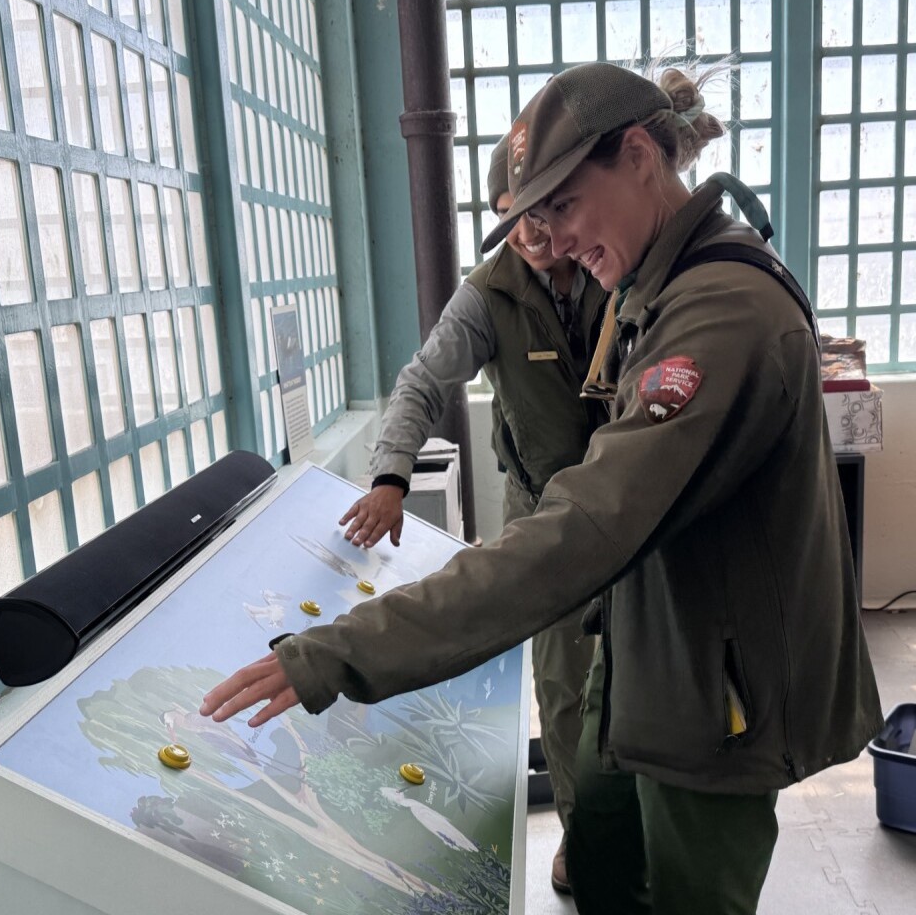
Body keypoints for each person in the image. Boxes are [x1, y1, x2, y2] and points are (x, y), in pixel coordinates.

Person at [200, 61, 883, 915]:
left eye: (563, 205)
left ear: (638, 154)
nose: (551, 240)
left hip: (716, 695)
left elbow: (587, 527)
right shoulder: (645, 287)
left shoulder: (719, 312)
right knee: (597, 833)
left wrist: (341, 651)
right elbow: (451, 404)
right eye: (534, 217)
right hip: (648, 642)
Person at [337, 139, 607, 893]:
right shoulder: (487, 294)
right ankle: (584, 838)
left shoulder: (609, 260)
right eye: (509, 217)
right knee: (562, 681)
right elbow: (423, 382)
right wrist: (391, 475)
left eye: (544, 211)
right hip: (544, 508)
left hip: (632, 496)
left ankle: (640, 827)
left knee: (645, 671)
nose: (532, 232)